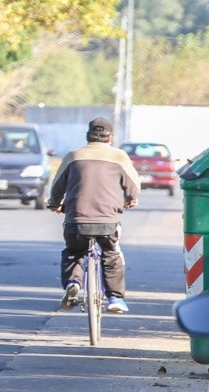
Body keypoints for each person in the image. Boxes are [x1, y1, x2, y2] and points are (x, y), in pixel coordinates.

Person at [48, 117, 140, 313]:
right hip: (108, 221)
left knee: (74, 253)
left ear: (88, 136)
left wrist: (54, 204)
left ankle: (73, 283)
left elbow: (57, 187)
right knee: (111, 254)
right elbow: (133, 185)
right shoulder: (119, 156)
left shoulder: (73, 156)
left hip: (76, 220)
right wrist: (132, 198)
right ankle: (115, 298)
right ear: (110, 137)